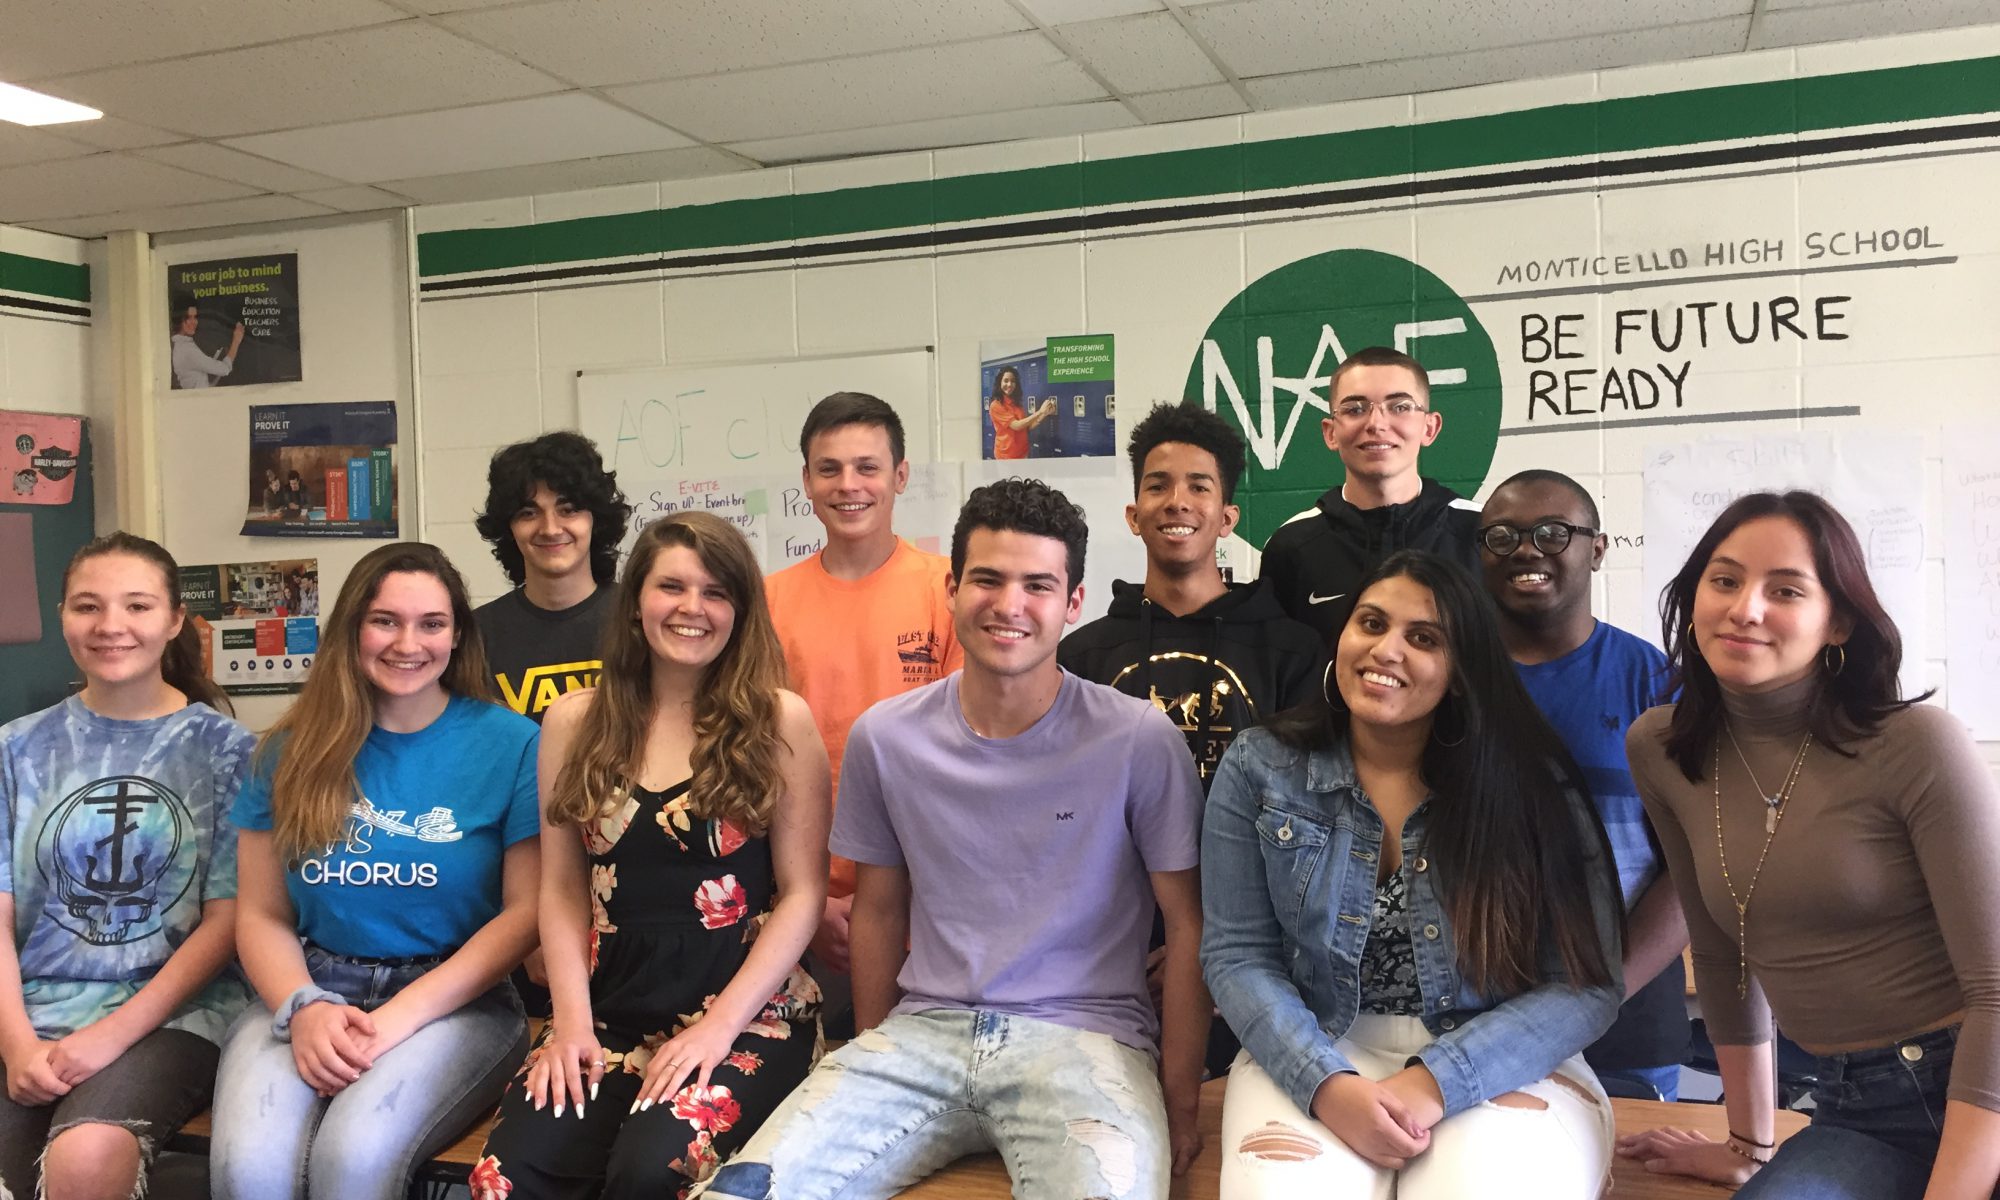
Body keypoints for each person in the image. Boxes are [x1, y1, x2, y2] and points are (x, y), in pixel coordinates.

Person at [699, 478, 1208, 1200]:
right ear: (952, 588)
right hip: (923, 1031)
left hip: (1086, 1043)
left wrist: (1179, 1095)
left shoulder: (1138, 739)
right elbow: (878, 911)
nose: (1009, 605)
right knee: (740, 1191)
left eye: (1038, 585)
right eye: (988, 579)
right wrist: (872, 1050)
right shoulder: (889, 736)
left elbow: (1189, 926)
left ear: (1073, 604)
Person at [1202, 549, 1625, 1199]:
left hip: (1499, 1057)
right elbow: (1237, 955)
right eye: (1371, 624)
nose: (1386, 650)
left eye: (1423, 639)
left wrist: (1436, 1081)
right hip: (1313, 1045)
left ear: (1460, 672)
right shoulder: (1260, 766)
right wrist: (1327, 1085)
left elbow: (1584, 985)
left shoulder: (1528, 784)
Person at [1616, 491, 2000, 1199]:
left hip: (1983, 1089)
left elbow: (1997, 992)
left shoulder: (1917, 746)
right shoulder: (1661, 749)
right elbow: (1722, 950)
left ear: (1839, 622)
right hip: (1861, 1113)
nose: (1746, 608)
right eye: (1725, 579)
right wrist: (1747, 1146)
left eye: (1785, 589)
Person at [472, 512, 830, 1200]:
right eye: (672, 586)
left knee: (647, 1173)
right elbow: (562, 889)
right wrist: (568, 1022)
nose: (693, 608)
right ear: (635, 600)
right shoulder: (574, 722)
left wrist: (719, 1029)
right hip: (605, 1010)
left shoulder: (779, 719)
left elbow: (804, 893)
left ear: (740, 611)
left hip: (747, 1012)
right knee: (508, 1176)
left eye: (716, 591)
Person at [210, 542, 541, 1200]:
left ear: (457, 636)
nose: (407, 642)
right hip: (309, 984)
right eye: (385, 620)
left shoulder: (514, 743)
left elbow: (525, 914)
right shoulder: (288, 749)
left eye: (432, 623)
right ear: (352, 629)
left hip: (455, 1003)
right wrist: (302, 1009)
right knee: (247, 1171)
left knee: (353, 1160)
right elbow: (261, 914)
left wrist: (398, 1019)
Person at [1059, 403, 1321, 1077]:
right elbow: (1065, 819)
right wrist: (1128, 953)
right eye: (1158, 484)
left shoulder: (1290, 650)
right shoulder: (1082, 654)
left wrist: (1212, 954)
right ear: (1133, 512)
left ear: (1228, 517)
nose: (1178, 500)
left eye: (1200, 485)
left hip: (1254, 954)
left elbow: (1305, 816)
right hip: (1109, 963)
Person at [0, 533, 254, 1200]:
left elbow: (227, 921)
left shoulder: (231, 753)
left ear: (173, 622)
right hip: (31, 1014)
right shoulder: (15, 750)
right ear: (62, 616)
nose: (111, 626)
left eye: (137, 606)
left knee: (86, 1157)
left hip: (172, 1018)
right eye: (88, 606)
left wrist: (108, 1037)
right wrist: (17, 1044)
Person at [1477, 470, 1690, 1100]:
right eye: (1502, 535)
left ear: (1596, 549)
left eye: (1553, 533)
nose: (1526, 549)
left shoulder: (1657, 686)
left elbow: (1696, 870)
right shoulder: (1446, 681)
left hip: (1625, 1019)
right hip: (1471, 1017)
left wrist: (1597, 996)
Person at [763, 392, 959, 1037]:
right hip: (798, 909)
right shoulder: (767, 602)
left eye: (867, 467)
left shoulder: (951, 591)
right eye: (830, 468)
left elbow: (964, 763)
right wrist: (805, 902)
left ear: (900, 476)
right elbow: (749, 765)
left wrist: (896, 905)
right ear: (807, 482)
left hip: (928, 911)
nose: (849, 486)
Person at [1257, 346, 1480, 645]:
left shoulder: (1481, 532)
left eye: (1399, 406)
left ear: (1430, 427)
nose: (1376, 423)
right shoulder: (1291, 547)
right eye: (1355, 409)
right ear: (1330, 432)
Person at [474, 431, 633, 725]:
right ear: (509, 528)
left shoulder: (638, 617)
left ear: (594, 519)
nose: (550, 528)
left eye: (568, 510)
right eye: (528, 513)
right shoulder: (477, 635)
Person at [987, 365, 1055, 460]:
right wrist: (1040, 411)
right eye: (1006, 381)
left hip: (1022, 452)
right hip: (1006, 456)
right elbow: (1017, 426)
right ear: (999, 383)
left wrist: (1044, 414)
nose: (1009, 384)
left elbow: (1026, 427)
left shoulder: (1016, 403)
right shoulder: (996, 405)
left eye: (1013, 381)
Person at [170, 304, 245, 389]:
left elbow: (202, 383)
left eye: (195, 317)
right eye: (188, 318)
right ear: (179, 320)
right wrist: (236, 341)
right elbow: (224, 369)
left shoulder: (182, 345)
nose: (194, 322)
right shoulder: (187, 349)